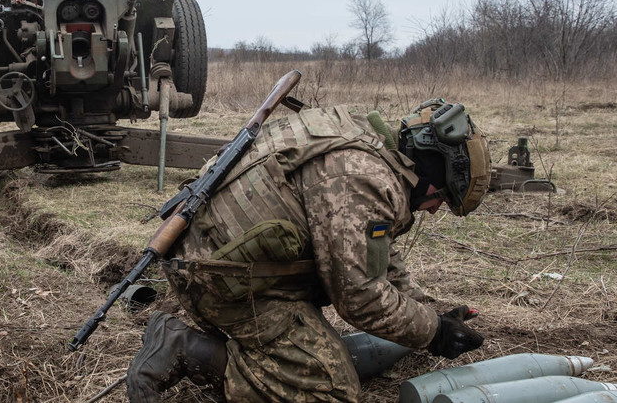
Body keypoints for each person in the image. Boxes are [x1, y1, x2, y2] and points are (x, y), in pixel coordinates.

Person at [127, 100, 492, 403]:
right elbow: (360, 298)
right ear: (431, 172)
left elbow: (373, 253)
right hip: (222, 283)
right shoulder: (364, 178)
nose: (432, 209)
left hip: (222, 260)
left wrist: (428, 311)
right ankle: (185, 348)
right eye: (441, 198)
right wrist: (434, 332)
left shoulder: (364, 141)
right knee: (329, 391)